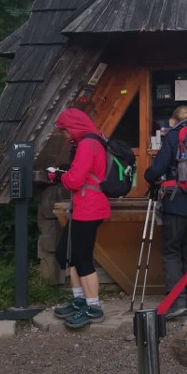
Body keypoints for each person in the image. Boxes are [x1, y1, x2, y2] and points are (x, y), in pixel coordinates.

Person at [144, 105, 187, 319]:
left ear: (174, 120)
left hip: (177, 203)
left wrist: (148, 174)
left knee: (172, 251)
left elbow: (157, 169)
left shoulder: (174, 136)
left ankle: (176, 301)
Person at [50, 108, 112, 329]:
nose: (65, 135)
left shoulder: (88, 144)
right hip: (84, 206)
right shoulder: (89, 142)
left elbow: (75, 181)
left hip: (90, 207)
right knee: (66, 253)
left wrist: (58, 176)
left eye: (65, 130)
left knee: (82, 257)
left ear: (74, 127)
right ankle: (79, 300)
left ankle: (94, 307)